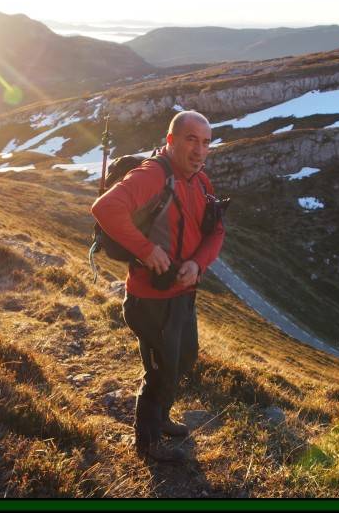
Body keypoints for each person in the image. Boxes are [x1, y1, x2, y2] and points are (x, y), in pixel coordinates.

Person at [90, 111, 225, 462]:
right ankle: (148, 445)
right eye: (191, 140)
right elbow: (106, 208)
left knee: (184, 358)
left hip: (182, 294)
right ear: (171, 141)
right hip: (149, 299)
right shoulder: (153, 174)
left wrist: (197, 264)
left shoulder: (201, 181)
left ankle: (161, 418)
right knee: (162, 370)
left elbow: (217, 231)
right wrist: (147, 250)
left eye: (206, 142)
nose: (199, 150)